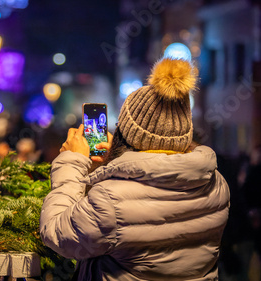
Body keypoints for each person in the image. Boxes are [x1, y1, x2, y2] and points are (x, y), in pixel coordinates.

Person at [40, 58, 230, 280]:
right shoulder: (216, 184)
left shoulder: (110, 200)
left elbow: (56, 232)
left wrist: (72, 160)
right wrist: (119, 159)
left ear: (128, 133)